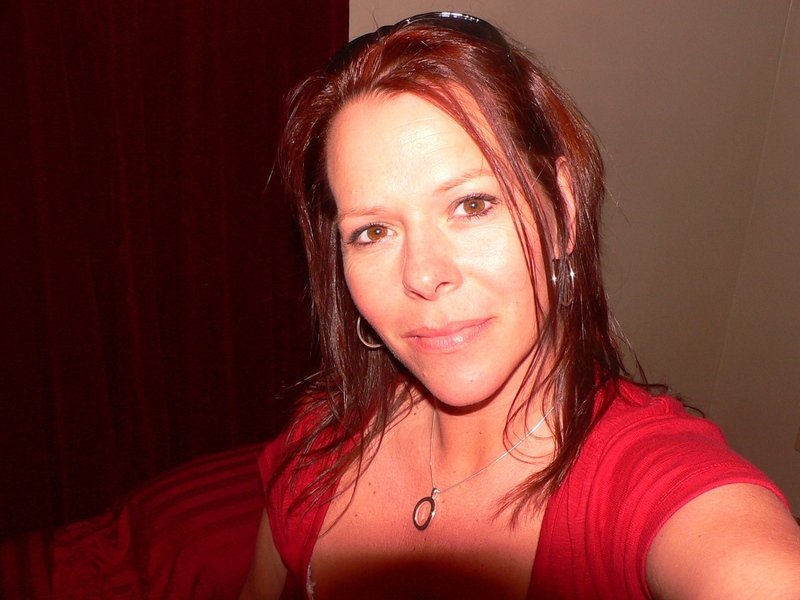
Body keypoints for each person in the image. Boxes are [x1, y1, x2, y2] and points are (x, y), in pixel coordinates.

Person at [240, 12, 800, 599]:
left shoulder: (646, 483)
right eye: (373, 231)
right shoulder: (319, 439)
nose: (423, 276)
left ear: (563, 211)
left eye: (472, 204)